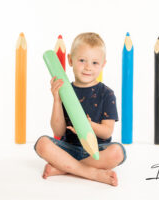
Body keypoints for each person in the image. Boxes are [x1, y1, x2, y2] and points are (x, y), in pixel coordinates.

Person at [34, 32, 126, 186]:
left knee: (117, 152)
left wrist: (89, 125)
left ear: (103, 64)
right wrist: (57, 99)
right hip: (68, 148)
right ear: (70, 60)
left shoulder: (107, 94)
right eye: (82, 60)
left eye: (95, 63)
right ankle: (91, 173)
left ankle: (65, 168)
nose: (88, 67)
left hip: (97, 151)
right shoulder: (65, 90)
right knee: (42, 144)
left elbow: (107, 132)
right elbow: (58, 132)